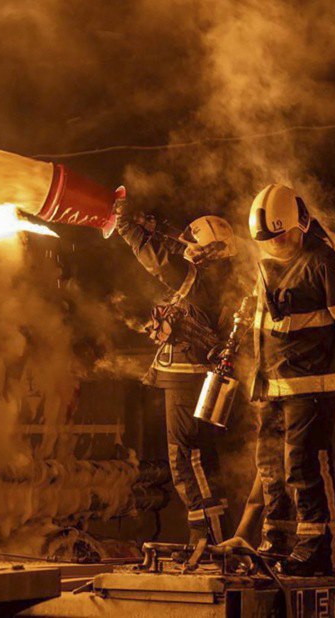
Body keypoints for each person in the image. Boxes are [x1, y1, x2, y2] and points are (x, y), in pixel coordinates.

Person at [246, 184, 335, 576]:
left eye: (281, 235)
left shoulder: (323, 263)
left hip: (312, 388)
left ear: (299, 224)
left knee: (304, 465)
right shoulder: (267, 266)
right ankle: (278, 539)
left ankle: (318, 547)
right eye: (268, 240)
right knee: (270, 465)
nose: (276, 244)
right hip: (273, 386)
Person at [114, 201, 238, 545]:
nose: (186, 250)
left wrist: (129, 229)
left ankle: (208, 543)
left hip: (188, 380)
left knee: (187, 458)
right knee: (199, 461)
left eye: (192, 246)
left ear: (207, 251)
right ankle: (211, 539)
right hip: (195, 379)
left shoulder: (201, 280)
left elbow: (160, 263)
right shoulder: (218, 277)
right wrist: (155, 225)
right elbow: (173, 253)